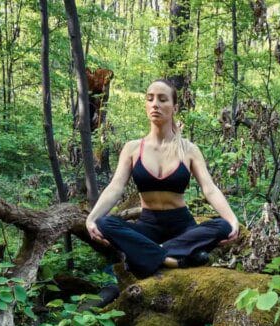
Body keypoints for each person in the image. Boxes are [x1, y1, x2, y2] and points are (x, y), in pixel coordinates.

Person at [85, 79, 241, 278]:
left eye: (162, 99)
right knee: (105, 223)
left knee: (222, 225)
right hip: (147, 225)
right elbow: (116, 187)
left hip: (182, 226)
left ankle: (148, 253)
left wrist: (232, 219)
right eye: (150, 99)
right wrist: (91, 218)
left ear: (174, 107)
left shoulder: (189, 150)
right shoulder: (133, 148)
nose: (155, 104)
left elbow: (209, 188)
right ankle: (173, 259)